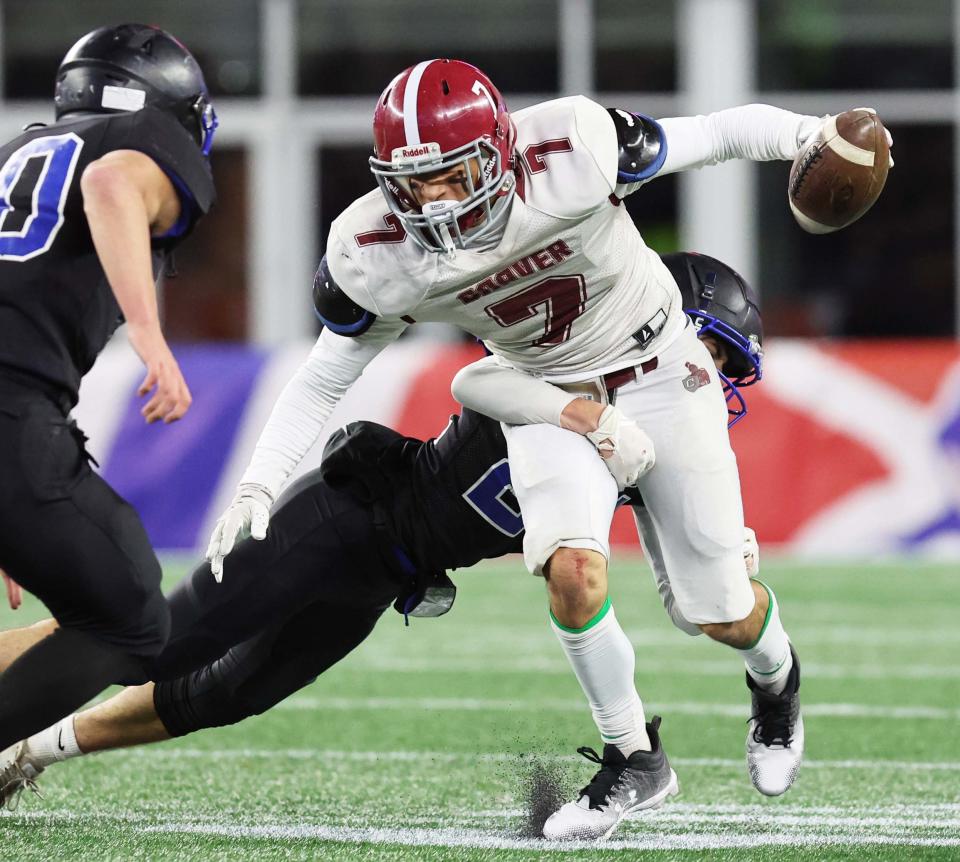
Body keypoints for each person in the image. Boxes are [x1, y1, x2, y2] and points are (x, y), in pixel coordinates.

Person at [203, 59, 860, 840]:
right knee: (572, 572)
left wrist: (808, 137)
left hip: (658, 367)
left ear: (500, 152)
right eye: (414, 184)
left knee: (716, 612)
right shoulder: (374, 249)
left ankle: (777, 683)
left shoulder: (572, 148)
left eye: (453, 174)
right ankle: (634, 758)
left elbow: (715, 135)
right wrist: (256, 484)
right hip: (544, 391)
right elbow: (321, 381)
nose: (436, 201)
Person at [0, 254, 763, 815]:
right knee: (153, 643)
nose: (710, 378)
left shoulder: (649, 445)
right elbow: (478, 375)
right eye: (712, 351)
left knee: (223, 695)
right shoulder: (549, 365)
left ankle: (29, 749)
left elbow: (694, 548)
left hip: (380, 578)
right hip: (343, 520)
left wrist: (725, 551)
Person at [0, 24, 217, 757]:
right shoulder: (139, 141)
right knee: (131, 616)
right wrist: (149, 333)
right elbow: (109, 181)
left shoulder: (14, 155)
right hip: (13, 406)